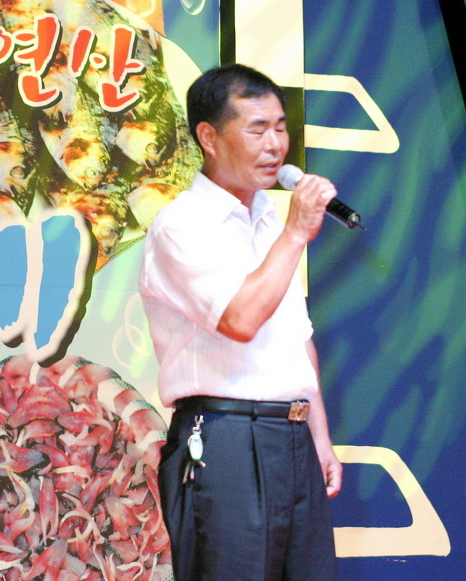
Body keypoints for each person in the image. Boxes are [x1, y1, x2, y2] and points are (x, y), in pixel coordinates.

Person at [139, 64, 341, 580]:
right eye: (257, 129)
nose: (275, 144)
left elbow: (297, 340)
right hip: (225, 439)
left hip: (292, 437)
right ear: (209, 137)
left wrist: (319, 437)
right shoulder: (181, 225)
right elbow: (240, 319)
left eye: (280, 128)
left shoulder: (270, 220)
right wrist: (295, 234)